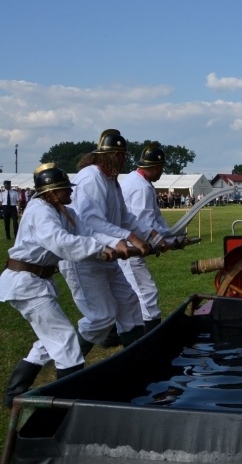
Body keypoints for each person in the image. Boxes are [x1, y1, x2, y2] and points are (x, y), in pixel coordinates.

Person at [1, 163, 117, 407]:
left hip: (35, 282)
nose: (71, 193)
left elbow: (89, 232)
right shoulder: (39, 211)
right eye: (66, 189)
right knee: (65, 340)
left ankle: (13, 395)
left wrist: (120, 245)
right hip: (27, 285)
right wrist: (100, 250)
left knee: (48, 341)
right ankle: (68, 403)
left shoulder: (62, 211)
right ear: (52, 192)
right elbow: (61, 243)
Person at [59, 129, 160, 355]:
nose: (125, 161)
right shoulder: (91, 178)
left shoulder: (111, 180)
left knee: (129, 302)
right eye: (121, 156)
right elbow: (91, 222)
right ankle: (68, 362)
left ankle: (136, 359)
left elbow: (125, 217)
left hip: (107, 255)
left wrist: (150, 235)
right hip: (85, 257)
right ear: (110, 155)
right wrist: (125, 238)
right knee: (100, 319)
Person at [119, 144, 174, 332]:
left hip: (127, 244)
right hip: (130, 248)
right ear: (156, 167)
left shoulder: (136, 182)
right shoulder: (141, 187)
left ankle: (120, 333)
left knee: (130, 295)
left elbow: (154, 220)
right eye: (162, 168)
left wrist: (173, 235)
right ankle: (151, 334)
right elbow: (144, 224)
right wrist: (164, 239)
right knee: (146, 292)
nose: (161, 173)